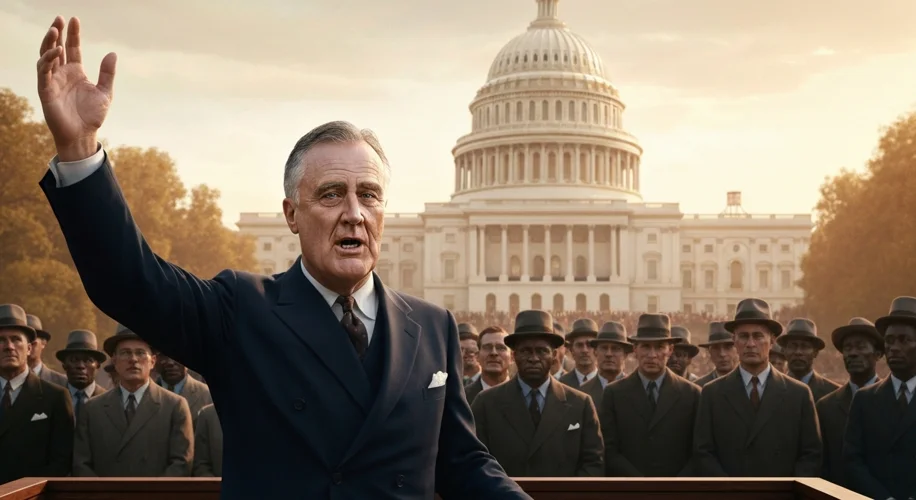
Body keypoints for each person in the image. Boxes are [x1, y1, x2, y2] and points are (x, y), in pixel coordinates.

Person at [35, 16, 526, 499]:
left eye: (369, 195)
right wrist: (79, 149)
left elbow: (460, 461)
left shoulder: (432, 325)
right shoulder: (241, 309)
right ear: (292, 214)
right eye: (332, 194)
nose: (354, 213)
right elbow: (129, 281)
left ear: (383, 213)